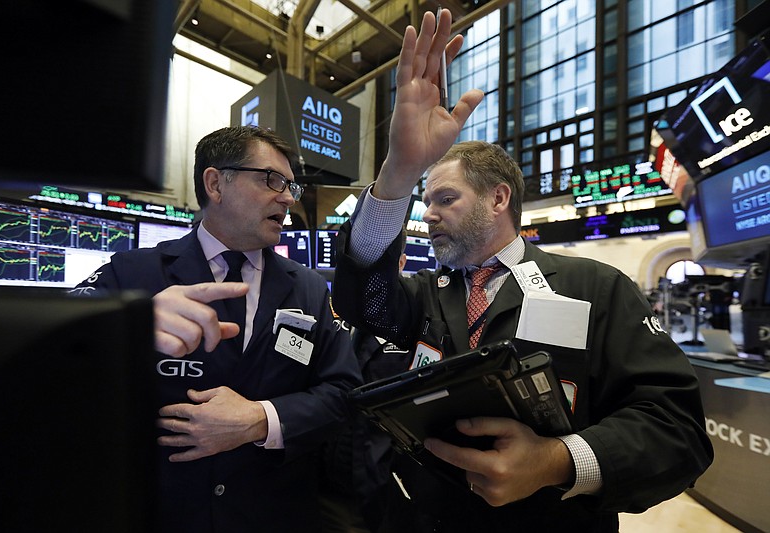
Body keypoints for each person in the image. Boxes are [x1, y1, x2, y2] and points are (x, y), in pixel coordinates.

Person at [332, 9, 713, 532]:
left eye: (445, 198)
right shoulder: (424, 294)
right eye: (425, 202)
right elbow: (363, 300)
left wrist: (556, 461)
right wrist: (399, 169)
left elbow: (676, 430)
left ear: (499, 197)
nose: (429, 214)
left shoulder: (595, 287)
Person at [73, 126, 363, 533]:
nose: (287, 198)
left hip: (272, 515)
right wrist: (128, 324)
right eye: (271, 180)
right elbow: (49, 356)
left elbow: (342, 394)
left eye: (291, 187)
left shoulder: (310, 288)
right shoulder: (133, 271)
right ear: (215, 183)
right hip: (159, 511)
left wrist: (260, 419)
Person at [319, 236, 410, 533]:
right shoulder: (328, 318)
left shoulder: (416, 325)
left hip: (385, 488)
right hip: (325, 484)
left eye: (381, 266)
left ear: (400, 264)